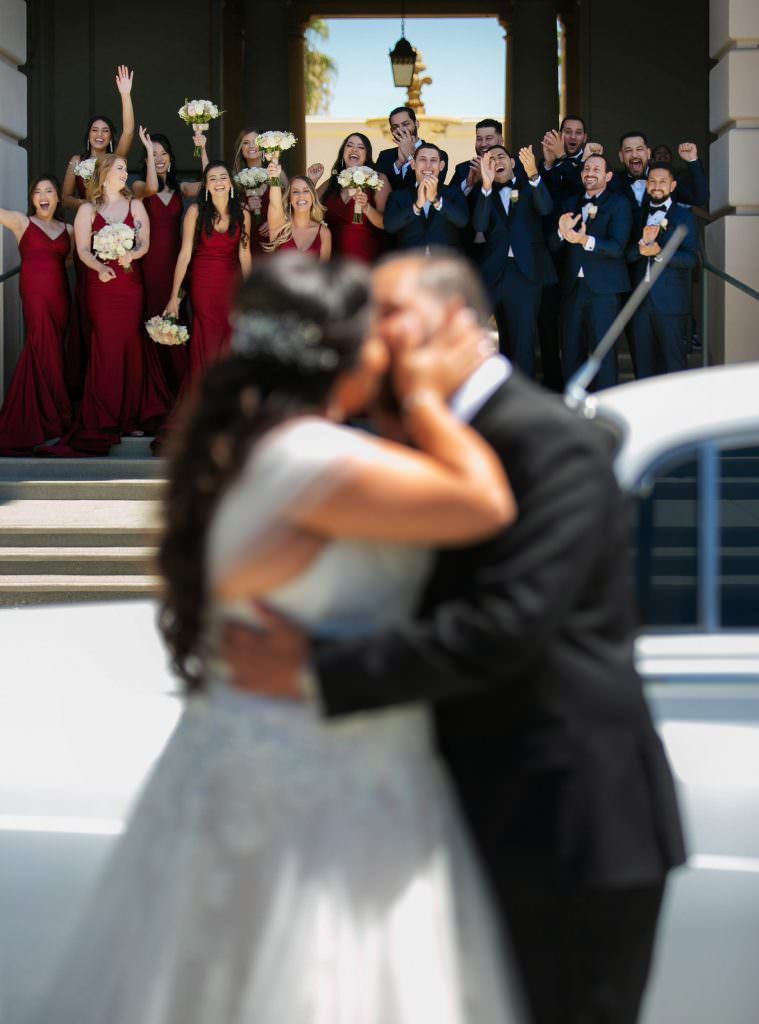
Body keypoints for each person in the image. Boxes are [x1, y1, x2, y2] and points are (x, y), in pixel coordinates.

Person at [30, 253, 523, 1024]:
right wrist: (426, 399)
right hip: (315, 793)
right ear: (343, 352)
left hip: (290, 761)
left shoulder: (261, 451)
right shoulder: (312, 460)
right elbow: (483, 504)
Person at [221, 250, 687, 1024]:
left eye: (388, 313)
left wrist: (315, 669)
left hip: (565, 819)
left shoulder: (549, 442)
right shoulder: (400, 438)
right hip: (456, 810)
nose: (366, 333)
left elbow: (506, 625)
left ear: (459, 324)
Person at [39, 154, 169, 457]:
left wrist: (132, 255)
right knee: (106, 346)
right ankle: (105, 416)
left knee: (130, 344)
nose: (125, 173)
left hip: (130, 285)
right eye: (120, 168)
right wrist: (99, 267)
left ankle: (131, 416)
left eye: (125, 168)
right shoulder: (87, 209)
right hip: (102, 285)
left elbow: (144, 241)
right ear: (106, 172)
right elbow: (82, 249)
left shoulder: (135, 205)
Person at [61, 65, 136, 398]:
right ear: (88, 134)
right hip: (89, 239)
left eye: (106, 130)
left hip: (117, 244)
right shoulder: (77, 160)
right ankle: (84, 378)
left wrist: (125, 95)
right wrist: (91, 212)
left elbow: (131, 130)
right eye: (95, 129)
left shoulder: (115, 161)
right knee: (85, 308)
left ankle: (112, 380)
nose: (100, 134)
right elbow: (64, 197)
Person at [0, 176, 73, 454]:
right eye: (38, 192)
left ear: (57, 198)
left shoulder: (69, 229)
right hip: (34, 295)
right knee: (41, 347)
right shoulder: (22, 222)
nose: (43, 196)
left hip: (60, 297)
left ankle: (50, 417)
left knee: (54, 350)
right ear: (32, 199)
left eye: (49, 191)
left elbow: (69, 261)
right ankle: (48, 420)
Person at [131, 129, 204, 396]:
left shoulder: (180, 188)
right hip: (147, 267)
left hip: (175, 266)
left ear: (171, 158)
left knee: (175, 320)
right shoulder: (139, 187)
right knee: (149, 323)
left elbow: (208, 183)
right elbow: (151, 187)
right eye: (154, 154)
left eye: (163, 154)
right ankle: (151, 395)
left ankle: (177, 395)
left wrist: (200, 147)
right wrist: (149, 154)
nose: (159, 158)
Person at [472, 145, 555, 377]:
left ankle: (522, 398)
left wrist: (533, 174)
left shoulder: (531, 185)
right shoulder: (483, 191)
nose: (496, 161)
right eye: (490, 159)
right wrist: (486, 186)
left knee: (523, 338)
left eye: (501, 157)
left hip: (525, 273)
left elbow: (546, 208)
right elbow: (479, 226)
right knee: (476, 333)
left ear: (511, 162)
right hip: (492, 273)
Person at [551, 153, 632, 389]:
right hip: (571, 289)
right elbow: (553, 245)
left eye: (596, 169)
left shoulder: (619, 204)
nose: (590, 173)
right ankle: (572, 409)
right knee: (570, 351)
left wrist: (585, 239)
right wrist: (561, 233)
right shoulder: (568, 203)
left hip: (604, 291)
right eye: (586, 168)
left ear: (608, 175)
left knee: (603, 354)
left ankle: (604, 408)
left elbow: (617, 247)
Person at [165, 161, 252, 379]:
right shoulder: (195, 212)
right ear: (206, 186)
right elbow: (184, 254)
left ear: (231, 183)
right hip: (203, 284)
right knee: (207, 335)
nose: (218, 182)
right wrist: (174, 298)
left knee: (230, 334)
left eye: (223, 177)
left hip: (230, 283)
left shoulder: (243, 214)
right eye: (212, 179)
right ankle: (202, 394)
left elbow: (245, 254)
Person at [626, 162, 699, 376]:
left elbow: (690, 258)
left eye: (663, 181)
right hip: (639, 302)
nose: (657, 185)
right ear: (647, 185)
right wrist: (640, 250)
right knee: (642, 364)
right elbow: (627, 255)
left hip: (670, 302)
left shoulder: (684, 217)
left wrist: (660, 253)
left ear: (673, 185)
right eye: (653, 181)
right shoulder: (638, 215)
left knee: (674, 364)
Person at [316, 132, 390, 263]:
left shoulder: (378, 179)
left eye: (361, 147)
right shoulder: (332, 182)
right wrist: (313, 180)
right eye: (349, 145)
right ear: (343, 152)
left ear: (367, 155)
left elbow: (386, 223)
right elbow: (309, 206)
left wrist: (367, 208)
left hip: (366, 259)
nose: (354, 149)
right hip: (335, 260)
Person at [383, 143, 468, 253]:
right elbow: (390, 227)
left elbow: (462, 221)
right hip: (410, 263)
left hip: (445, 263)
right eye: (423, 160)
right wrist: (417, 206)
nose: (428, 165)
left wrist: (437, 201)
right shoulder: (398, 196)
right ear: (413, 164)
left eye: (433, 160)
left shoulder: (454, 192)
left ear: (441, 165)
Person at [612, 132, 709, 209]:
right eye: (628, 150)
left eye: (639, 149)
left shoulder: (669, 178)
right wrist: (596, 157)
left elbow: (699, 198)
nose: (634, 155)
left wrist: (692, 161)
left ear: (648, 153)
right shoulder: (611, 182)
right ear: (621, 156)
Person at [264, 160, 332, 260]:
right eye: (295, 192)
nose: (301, 196)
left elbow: (324, 272)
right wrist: (274, 178)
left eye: (306, 191)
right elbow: (275, 204)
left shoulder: (323, 232)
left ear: (313, 196)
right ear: (289, 198)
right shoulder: (280, 227)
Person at [376, 105, 450, 190]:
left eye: (405, 124)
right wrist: (399, 163)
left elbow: (433, 187)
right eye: (395, 127)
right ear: (391, 131)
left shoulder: (440, 155)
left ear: (416, 124)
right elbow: (380, 190)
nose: (401, 129)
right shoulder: (384, 156)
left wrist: (410, 156)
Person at [448, 118, 504, 195]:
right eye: (479, 139)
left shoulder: (515, 166)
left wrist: (487, 180)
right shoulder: (463, 169)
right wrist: (468, 184)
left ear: (501, 141)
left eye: (488, 138)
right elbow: (449, 202)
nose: (483, 144)